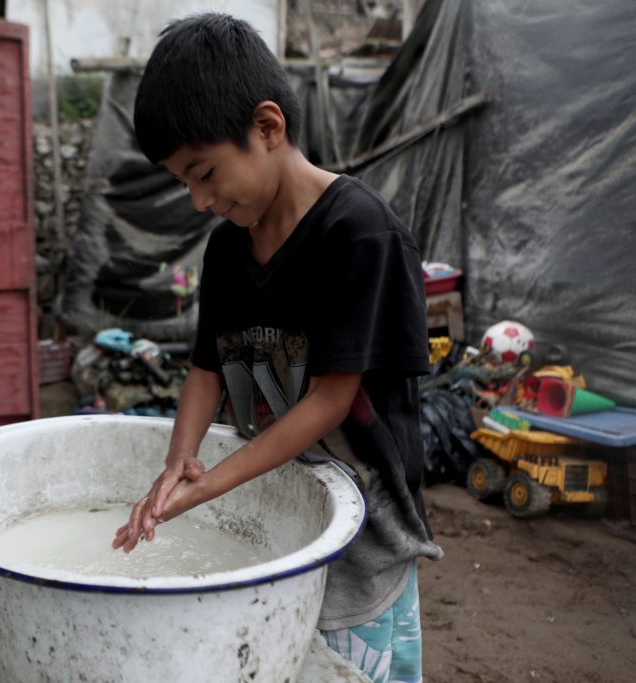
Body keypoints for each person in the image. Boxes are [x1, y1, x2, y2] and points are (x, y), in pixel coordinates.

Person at [110, 13, 443, 683]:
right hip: (272, 505)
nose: (201, 200)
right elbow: (206, 366)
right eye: (185, 183)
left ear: (267, 127)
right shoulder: (230, 248)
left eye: (205, 173)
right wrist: (181, 460)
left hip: (363, 532)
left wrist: (203, 491)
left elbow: (330, 398)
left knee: (348, 667)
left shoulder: (360, 236)